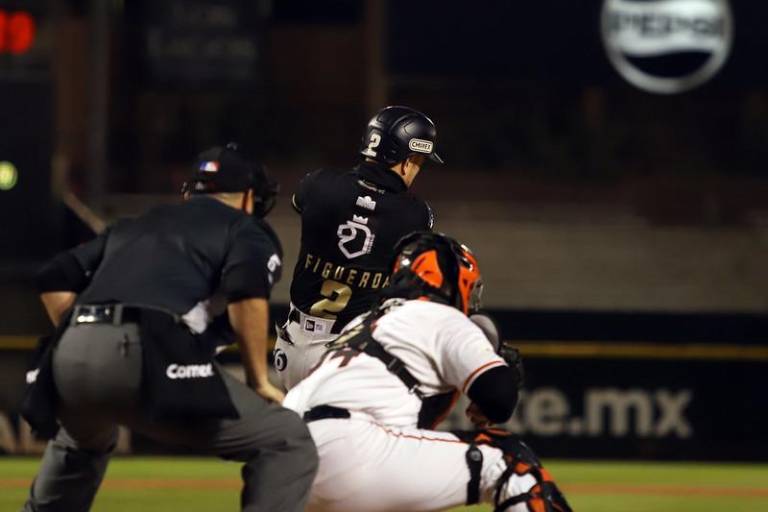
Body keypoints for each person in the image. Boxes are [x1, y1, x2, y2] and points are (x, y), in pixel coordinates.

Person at [21, 143, 318, 512]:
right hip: (143, 350)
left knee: (82, 442)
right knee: (286, 440)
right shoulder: (245, 229)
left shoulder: (138, 223)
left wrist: (86, 334)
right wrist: (259, 379)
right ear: (248, 197)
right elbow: (247, 291)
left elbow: (52, 277)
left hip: (65, 353)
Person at [283, 232, 572, 512]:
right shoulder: (440, 315)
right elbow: (499, 397)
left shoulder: (361, 323)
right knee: (509, 460)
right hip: (349, 449)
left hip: (282, 459)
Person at [275, 105, 441, 389]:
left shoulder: (318, 184)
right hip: (346, 360)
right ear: (404, 160)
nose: (417, 170)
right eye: (418, 162)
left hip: (290, 348)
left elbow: (307, 204)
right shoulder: (414, 215)